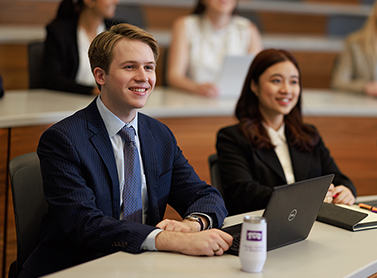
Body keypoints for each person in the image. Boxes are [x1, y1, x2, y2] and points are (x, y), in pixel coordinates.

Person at [22, 24, 231, 278]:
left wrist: (193, 224)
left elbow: (205, 195)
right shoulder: (63, 139)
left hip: (140, 265)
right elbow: (84, 224)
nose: (144, 77)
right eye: (130, 66)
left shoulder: (159, 135)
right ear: (100, 75)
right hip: (78, 266)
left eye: (149, 67)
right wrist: (170, 240)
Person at [216, 49, 357, 216]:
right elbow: (244, 193)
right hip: (264, 227)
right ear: (254, 86)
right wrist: (303, 197)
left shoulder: (308, 134)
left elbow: (337, 177)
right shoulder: (232, 137)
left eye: (293, 82)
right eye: (276, 81)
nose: (286, 90)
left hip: (314, 224)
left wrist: (345, 190)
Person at [167, 0, 262, 98]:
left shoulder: (248, 29)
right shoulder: (185, 25)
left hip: (235, 100)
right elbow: (174, 76)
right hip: (193, 98)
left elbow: (258, 75)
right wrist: (197, 88)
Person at [41, 0, 120, 95]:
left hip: (112, 102)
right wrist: (92, 91)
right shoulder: (59, 32)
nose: (116, 1)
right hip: (71, 101)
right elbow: (52, 79)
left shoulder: (118, 31)